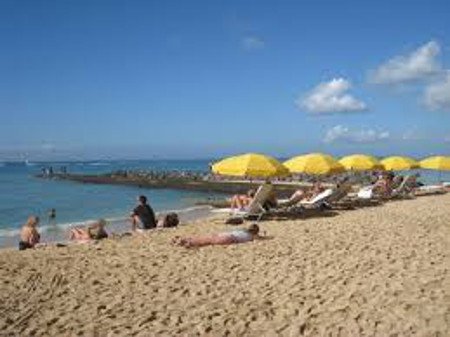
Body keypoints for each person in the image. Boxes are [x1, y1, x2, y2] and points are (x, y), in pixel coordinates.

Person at [171, 223, 264, 248]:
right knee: (207, 241)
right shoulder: (250, 237)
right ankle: (187, 242)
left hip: (227, 234)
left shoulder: (242, 230)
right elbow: (258, 237)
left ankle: (185, 239)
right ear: (255, 232)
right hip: (229, 238)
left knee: (206, 237)